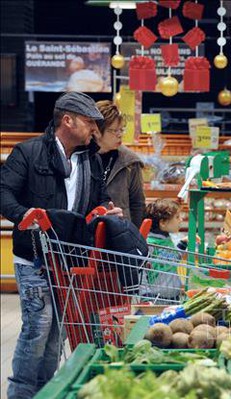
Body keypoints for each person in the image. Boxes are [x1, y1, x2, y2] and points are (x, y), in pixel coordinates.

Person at [0, 91, 123, 399]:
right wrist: (24, 215)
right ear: (67, 120)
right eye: (89, 123)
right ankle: (20, 393)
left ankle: (44, 391)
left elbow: (99, 196)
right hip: (34, 255)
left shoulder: (90, 160)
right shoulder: (27, 153)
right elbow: (4, 194)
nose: (95, 130)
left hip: (68, 257)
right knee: (38, 326)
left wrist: (107, 207)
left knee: (56, 332)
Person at [94, 100, 146, 227]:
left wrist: (135, 237)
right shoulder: (80, 157)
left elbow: (138, 204)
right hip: (84, 232)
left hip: (119, 234)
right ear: (97, 131)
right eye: (114, 131)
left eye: (121, 129)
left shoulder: (130, 161)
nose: (120, 135)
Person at [140, 199, 186, 302]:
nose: (181, 220)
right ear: (163, 223)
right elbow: (141, 271)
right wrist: (145, 296)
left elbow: (172, 260)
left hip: (173, 296)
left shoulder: (167, 239)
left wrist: (183, 244)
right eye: (177, 217)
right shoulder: (150, 244)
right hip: (155, 298)